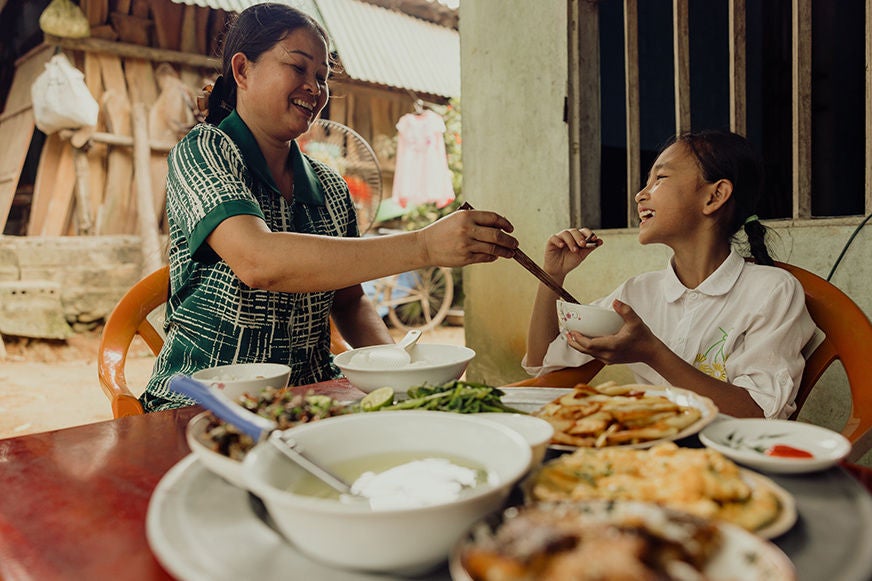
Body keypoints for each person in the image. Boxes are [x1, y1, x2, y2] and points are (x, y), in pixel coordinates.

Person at [140, 3, 517, 412]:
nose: (314, 88)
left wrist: (402, 378)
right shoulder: (204, 151)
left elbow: (349, 302)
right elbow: (258, 261)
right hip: (203, 401)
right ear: (243, 70)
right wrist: (424, 246)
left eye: (321, 76)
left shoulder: (331, 189)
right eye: (298, 68)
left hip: (310, 400)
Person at [524, 130, 819, 419]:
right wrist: (552, 275)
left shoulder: (771, 292)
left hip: (726, 460)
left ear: (714, 196)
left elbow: (758, 414)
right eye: (647, 182)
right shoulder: (636, 294)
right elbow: (542, 363)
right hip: (651, 452)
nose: (641, 194)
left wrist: (652, 352)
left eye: (660, 178)